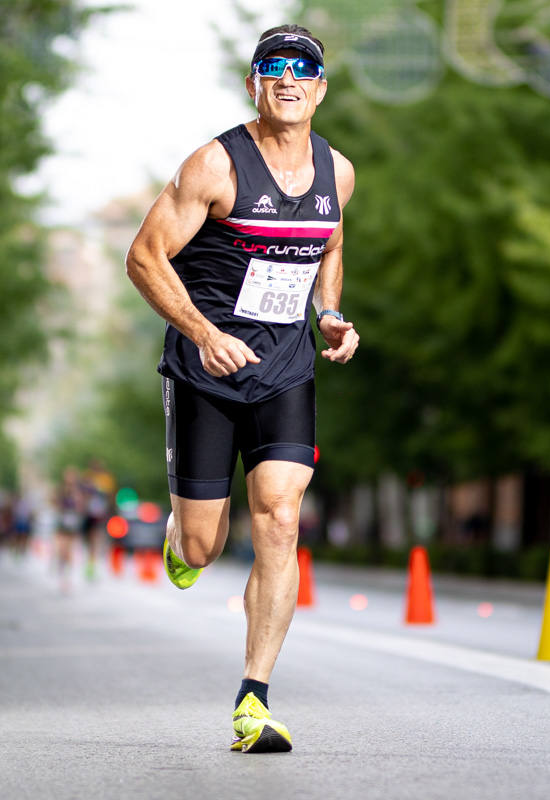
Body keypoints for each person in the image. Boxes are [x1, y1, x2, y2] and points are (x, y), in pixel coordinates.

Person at [126, 23, 359, 754]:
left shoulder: (338, 172)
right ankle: (180, 536)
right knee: (203, 547)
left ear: (320, 87)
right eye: (273, 67)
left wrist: (330, 315)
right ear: (253, 83)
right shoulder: (214, 166)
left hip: (286, 367)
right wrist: (202, 332)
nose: (289, 79)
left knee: (281, 518)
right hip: (209, 369)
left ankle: (254, 697)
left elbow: (330, 246)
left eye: (304, 69)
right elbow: (144, 256)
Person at [54, 466, 84, 593]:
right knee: (61, 550)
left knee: (69, 552)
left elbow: (81, 507)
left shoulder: (78, 492)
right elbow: (54, 503)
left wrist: (77, 503)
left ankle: (67, 578)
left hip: (72, 525)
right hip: (62, 524)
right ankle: (62, 573)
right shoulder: (61, 490)